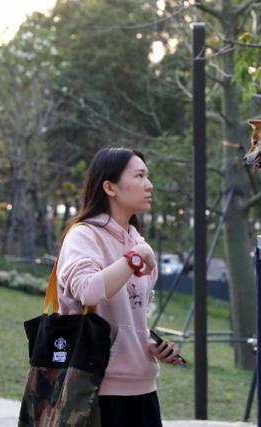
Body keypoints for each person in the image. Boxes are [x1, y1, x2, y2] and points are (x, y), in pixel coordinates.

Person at [56, 147, 182, 427]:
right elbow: (88, 290)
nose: (149, 185)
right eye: (139, 176)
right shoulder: (84, 236)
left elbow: (128, 316)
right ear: (110, 187)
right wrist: (136, 258)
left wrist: (149, 343)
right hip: (97, 391)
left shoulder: (136, 240)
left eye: (147, 176)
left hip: (143, 388)